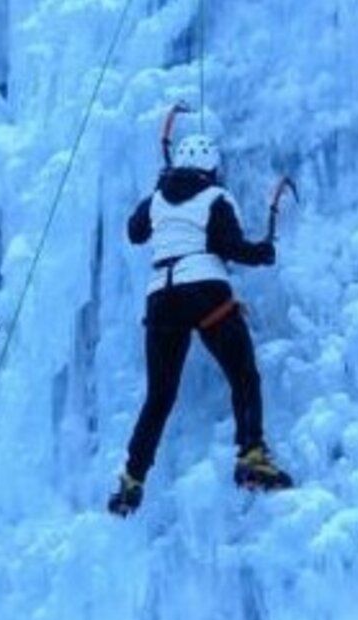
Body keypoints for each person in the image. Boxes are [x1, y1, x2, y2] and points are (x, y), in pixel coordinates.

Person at [108, 132, 293, 516]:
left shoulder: (157, 198)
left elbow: (134, 231)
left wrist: (159, 192)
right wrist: (264, 252)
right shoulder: (216, 198)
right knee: (243, 375)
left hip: (161, 297)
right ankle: (252, 454)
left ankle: (131, 480)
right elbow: (231, 247)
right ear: (212, 168)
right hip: (205, 291)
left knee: (159, 396)